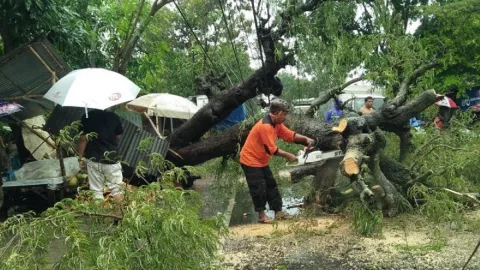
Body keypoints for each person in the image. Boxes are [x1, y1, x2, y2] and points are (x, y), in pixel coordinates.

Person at [240, 98, 315, 223]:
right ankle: (262, 216)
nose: (285, 117)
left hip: (261, 160)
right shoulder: (265, 126)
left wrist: (306, 139)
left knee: (271, 185)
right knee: (259, 187)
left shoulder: (277, 124)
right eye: (284, 114)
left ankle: (278, 212)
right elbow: (271, 149)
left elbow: (289, 135)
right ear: (277, 113)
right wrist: (288, 155)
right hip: (250, 160)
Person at [77, 109, 124, 203]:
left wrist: (80, 158)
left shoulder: (86, 117)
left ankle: (101, 216)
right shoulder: (113, 116)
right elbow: (118, 136)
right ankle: (121, 214)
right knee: (116, 189)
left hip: (93, 159)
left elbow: (83, 140)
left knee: (96, 191)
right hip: (112, 158)